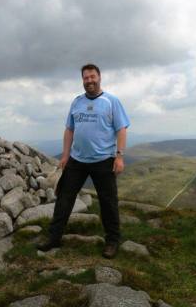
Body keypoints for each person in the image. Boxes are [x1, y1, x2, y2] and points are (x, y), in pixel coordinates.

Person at [37, 63, 130, 258]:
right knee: (64, 198)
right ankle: (54, 238)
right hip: (77, 160)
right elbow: (69, 129)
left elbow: (121, 129)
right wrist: (65, 155)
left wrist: (119, 156)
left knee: (108, 202)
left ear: (99, 77)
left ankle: (112, 241)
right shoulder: (76, 102)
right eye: (86, 78)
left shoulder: (111, 101)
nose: (89, 81)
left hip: (104, 159)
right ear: (83, 80)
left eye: (92, 77)